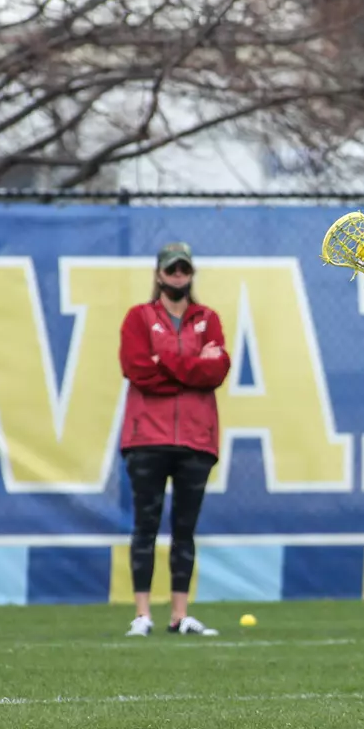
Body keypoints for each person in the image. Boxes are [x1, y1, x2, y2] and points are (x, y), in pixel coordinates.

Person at [116, 242, 229, 638]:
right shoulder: (138, 318)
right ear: (159, 275)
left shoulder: (208, 319)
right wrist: (192, 367)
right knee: (145, 525)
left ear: (191, 274)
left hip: (196, 439)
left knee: (185, 528)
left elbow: (217, 371)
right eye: (171, 270)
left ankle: (179, 616)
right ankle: (143, 614)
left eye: (184, 270)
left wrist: (165, 362)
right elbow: (136, 368)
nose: (178, 276)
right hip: (147, 436)